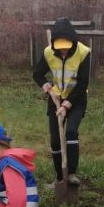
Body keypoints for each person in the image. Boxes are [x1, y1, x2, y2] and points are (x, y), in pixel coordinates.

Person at [32, 17, 91, 187]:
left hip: (77, 98)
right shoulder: (49, 52)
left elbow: (83, 83)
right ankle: (59, 178)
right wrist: (47, 87)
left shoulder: (84, 52)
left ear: (72, 42)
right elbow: (37, 74)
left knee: (71, 131)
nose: (63, 52)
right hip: (56, 98)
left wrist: (67, 104)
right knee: (56, 140)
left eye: (67, 49)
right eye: (61, 49)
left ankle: (71, 174)